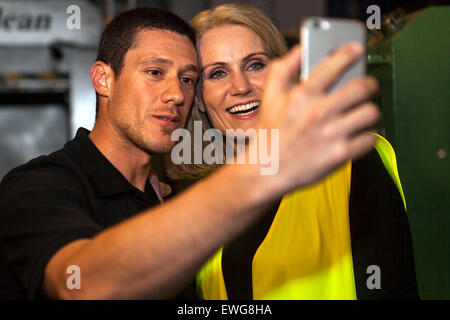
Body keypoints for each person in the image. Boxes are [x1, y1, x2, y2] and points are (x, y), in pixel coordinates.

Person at [0, 7, 381, 300]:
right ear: (104, 78)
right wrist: (261, 171)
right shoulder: (37, 186)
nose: (176, 95)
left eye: (187, 79)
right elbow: (82, 286)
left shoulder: (165, 199)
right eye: (154, 72)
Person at [166, 3, 418, 299]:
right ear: (199, 99)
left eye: (255, 65)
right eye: (218, 73)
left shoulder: (350, 161)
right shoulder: (204, 197)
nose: (240, 86)